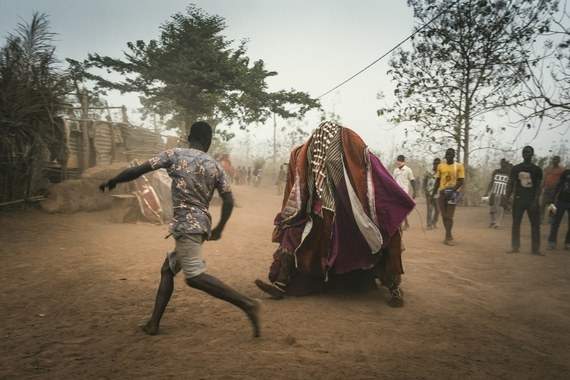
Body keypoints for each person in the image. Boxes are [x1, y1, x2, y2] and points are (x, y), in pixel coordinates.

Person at [99, 121, 260, 337]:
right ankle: (153, 323)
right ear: (208, 141)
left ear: (188, 136)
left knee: (194, 276)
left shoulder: (174, 154)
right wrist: (219, 228)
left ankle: (247, 304)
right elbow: (229, 201)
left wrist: (114, 180)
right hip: (201, 225)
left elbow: (139, 170)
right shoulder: (215, 165)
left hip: (186, 226)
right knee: (168, 269)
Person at [254, 122, 415, 307]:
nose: (322, 159)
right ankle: (281, 284)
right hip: (319, 215)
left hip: (358, 213)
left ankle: (395, 288)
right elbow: (301, 193)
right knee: (291, 231)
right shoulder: (305, 155)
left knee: (389, 235)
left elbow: (377, 185)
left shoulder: (358, 155)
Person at [506, 145, 543, 255]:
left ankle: (535, 249)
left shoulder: (537, 169)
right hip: (519, 199)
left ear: (532, 154)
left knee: (535, 225)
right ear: (522, 154)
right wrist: (507, 197)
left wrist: (535, 200)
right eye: (524, 152)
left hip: (532, 200)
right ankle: (515, 247)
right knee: (516, 224)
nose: (526, 154)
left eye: (528, 152)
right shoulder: (516, 168)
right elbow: (511, 183)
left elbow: (538, 187)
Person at [432, 148, 465, 246]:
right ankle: (448, 235)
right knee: (444, 216)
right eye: (447, 155)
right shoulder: (441, 166)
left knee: (449, 216)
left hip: (453, 194)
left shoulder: (459, 166)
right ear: (445, 156)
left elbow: (461, 181)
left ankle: (448, 237)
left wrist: (453, 190)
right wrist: (433, 193)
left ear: (454, 156)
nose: (449, 157)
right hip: (442, 193)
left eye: (451, 155)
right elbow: (437, 181)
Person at [547, 168, 570, 250]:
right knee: (555, 223)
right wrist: (552, 199)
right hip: (561, 201)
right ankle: (551, 242)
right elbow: (558, 185)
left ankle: (568, 243)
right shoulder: (566, 172)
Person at [485, 158, 510, 229]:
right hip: (494, 191)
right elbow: (492, 181)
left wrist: (508, 194)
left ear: (506, 164)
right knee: (492, 207)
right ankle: (493, 221)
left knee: (501, 208)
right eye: (501, 163)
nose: (502, 164)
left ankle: (498, 223)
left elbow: (510, 184)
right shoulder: (496, 171)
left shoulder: (508, 173)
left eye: (504, 163)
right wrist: (487, 191)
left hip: (503, 193)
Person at [393, 155, 416, 229]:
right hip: (396, 192)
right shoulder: (395, 170)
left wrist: (415, 191)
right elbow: (393, 181)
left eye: (400, 160)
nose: (399, 162)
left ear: (403, 161)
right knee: (398, 208)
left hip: (404, 192)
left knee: (401, 207)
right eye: (398, 160)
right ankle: (404, 223)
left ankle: (403, 223)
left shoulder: (408, 170)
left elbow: (412, 180)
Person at [541, 156, 565, 223]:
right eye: (554, 159)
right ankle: (541, 218)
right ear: (552, 160)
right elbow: (544, 178)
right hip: (547, 189)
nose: (555, 161)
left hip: (555, 190)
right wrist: (542, 186)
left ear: (559, 161)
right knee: (542, 203)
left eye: (557, 160)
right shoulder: (548, 168)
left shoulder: (562, 170)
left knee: (552, 204)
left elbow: (563, 180)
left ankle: (551, 218)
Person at [423, 158, 441, 229]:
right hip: (429, 193)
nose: (435, 165)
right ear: (433, 164)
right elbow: (424, 181)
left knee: (437, 210)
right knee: (429, 209)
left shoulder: (440, 173)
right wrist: (425, 190)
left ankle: (434, 222)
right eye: (435, 163)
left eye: (437, 164)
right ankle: (429, 224)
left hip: (437, 194)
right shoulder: (428, 172)